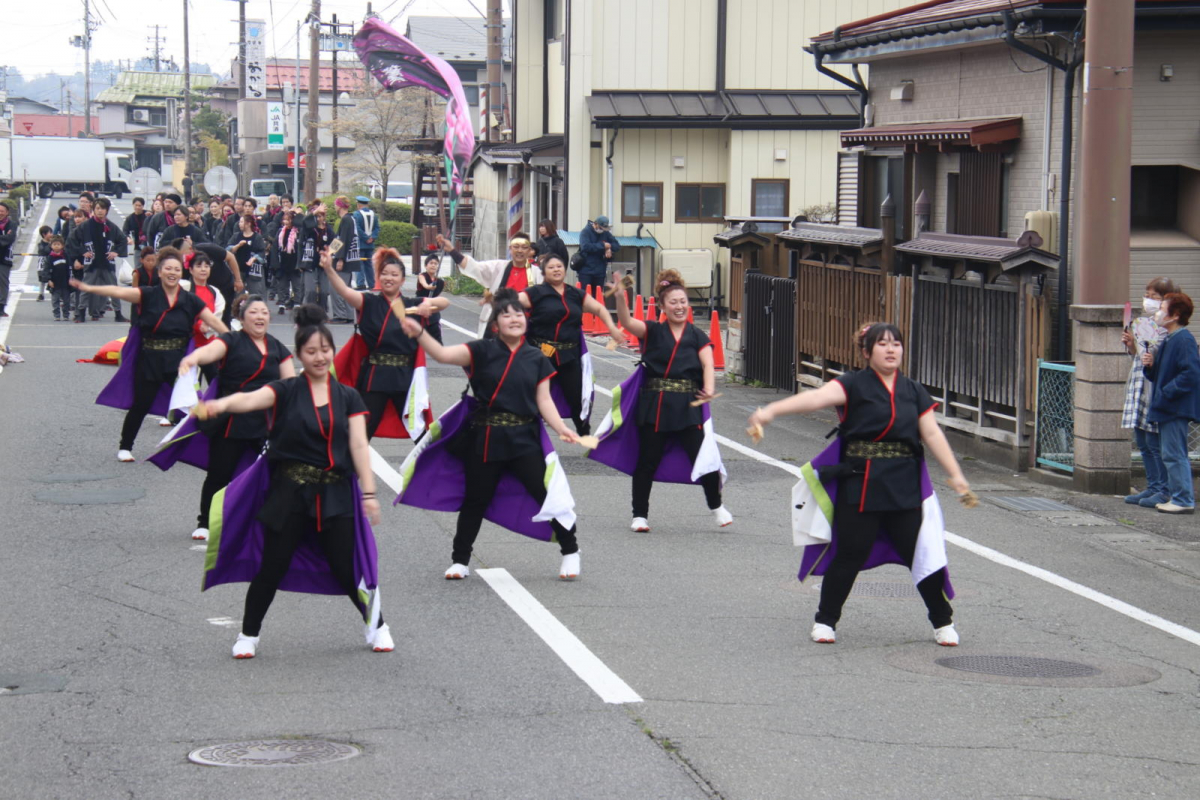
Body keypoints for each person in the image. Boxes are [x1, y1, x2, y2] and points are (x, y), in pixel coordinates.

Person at [747, 322, 970, 646]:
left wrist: (956, 474)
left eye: (896, 343)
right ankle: (825, 621)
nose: (891, 349)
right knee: (850, 553)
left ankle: (942, 621)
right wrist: (770, 411)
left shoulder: (913, 390)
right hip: (861, 483)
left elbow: (931, 433)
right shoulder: (853, 385)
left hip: (904, 486)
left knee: (920, 554)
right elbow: (814, 399)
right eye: (882, 344)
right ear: (867, 352)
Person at [197, 304, 392, 658]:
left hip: (335, 495)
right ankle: (248, 635)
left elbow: (359, 445)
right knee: (271, 566)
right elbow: (250, 398)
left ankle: (377, 625)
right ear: (300, 355)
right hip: (289, 494)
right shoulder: (287, 390)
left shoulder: (348, 396)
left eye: (326, 350)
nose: (320, 357)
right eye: (312, 351)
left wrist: (369, 493)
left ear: (333, 352)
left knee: (348, 568)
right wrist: (221, 405)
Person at [399, 289, 583, 580]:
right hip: (485, 438)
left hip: (524, 438)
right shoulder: (480, 350)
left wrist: (562, 428)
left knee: (545, 495)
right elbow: (443, 354)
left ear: (526, 320)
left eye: (518, 313)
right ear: (495, 324)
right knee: (475, 500)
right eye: (506, 314)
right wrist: (420, 332)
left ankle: (571, 551)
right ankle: (460, 560)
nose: (514, 318)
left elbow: (544, 400)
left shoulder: (536, 357)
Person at [599, 268, 730, 531]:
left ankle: (716, 507)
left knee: (703, 460)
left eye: (683, 301)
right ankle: (640, 515)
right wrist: (621, 299)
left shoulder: (697, 335)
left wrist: (709, 388)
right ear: (662, 306)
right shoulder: (653, 330)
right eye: (673, 302)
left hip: (687, 406)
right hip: (655, 405)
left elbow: (707, 364)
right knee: (646, 461)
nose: (680, 306)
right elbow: (627, 323)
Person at [76, 246, 228, 461]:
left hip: (180, 362)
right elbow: (118, 291)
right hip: (150, 360)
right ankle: (125, 446)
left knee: (193, 405)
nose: (172, 272)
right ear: (160, 272)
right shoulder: (148, 294)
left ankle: (205, 447)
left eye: (176, 269)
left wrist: (238, 340)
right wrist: (89, 288)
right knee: (141, 404)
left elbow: (213, 321)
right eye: (168, 268)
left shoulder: (190, 300)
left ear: (181, 273)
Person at [176, 294, 295, 540]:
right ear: (242, 318)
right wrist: (192, 359)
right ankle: (205, 522)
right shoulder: (231, 340)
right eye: (254, 312)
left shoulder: (277, 347)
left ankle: (270, 521)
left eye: (264, 312)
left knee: (275, 473)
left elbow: (290, 383)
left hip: (266, 421)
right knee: (220, 472)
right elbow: (208, 352)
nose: (260, 316)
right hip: (232, 419)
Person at [322, 246, 446, 439]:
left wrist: (426, 305)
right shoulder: (369, 302)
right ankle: (349, 469)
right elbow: (345, 291)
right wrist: (329, 269)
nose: (389, 278)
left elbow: (444, 302)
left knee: (421, 436)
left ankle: (430, 469)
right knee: (360, 434)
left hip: (404, 378)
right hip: (374, 378)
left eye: (394, 274)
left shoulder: (412, 304)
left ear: (402, 280)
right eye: (385, 274)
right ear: (379, 277)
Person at [520, 253, 624, 435]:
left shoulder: (575, 294)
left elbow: (599, 308)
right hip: (541, 356)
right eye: (551, 267)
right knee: (535, 399)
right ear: (544, 272)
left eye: (559, 266)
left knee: (578, 399)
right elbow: (512, 302)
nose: (556, 270)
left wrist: (612, 327)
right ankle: (529, 439)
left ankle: (584, 435)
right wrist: (498, 300)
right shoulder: (535, 293)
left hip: (569, 356)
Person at [1142, 292, 1200, 515]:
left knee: (1174, 454)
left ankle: (1183, 498)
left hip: (1175, 407)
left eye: (1162, 309)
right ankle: (1180, 496)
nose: (1158, 313)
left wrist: (1166, 392)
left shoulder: (1183, 339)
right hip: (1170, 405)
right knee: (1171, 453)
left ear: (1174, 315)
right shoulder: (1171, 338)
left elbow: (1191, 374)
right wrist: (1150, 367)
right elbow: (1164, 375)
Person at [1121, 277, 1177, 508]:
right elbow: (1141, 356)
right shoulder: (1145, 322)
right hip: (1138, 387)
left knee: (1154, 444)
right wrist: (1131, 346)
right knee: (1142, 442)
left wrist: (1140, 344)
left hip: (1152, 390)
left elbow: (1155, 356)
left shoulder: (1167, 329)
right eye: (1148, 295)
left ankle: (1162, 489)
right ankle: (1153, 486)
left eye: (1155, 297)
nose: (1149, 300)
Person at [435, 232, 543, 336]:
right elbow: (474, 268)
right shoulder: (499, 267)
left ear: (529, 251)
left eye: (524, 247)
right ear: (510, 249)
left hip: (526, 328)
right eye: (516, 246)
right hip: (498, 327)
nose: (520, 250)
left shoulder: (537, 273)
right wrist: (452, 251)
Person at [79, 197, 128, 323]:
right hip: (92, 263)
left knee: (114, 288)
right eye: (97, 208)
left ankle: (118, 314)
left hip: (107, 262)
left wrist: (116, 252)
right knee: (86, 288)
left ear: (107, 210)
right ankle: (81, 313)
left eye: (103, 209)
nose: (100, 211)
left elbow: (122, 240)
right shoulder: (86, 225)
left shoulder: (111, 226)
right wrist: (83, 252)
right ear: (93, 209)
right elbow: (72, 240)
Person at [188, 254, 226, 376]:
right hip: (189, 345)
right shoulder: (185, 290)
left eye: (206, 266)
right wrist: (199, 325)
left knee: (216, 381)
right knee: (191, 384)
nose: (203, 269)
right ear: (190, 270)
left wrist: (207, 326)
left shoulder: (215, 292)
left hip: (209, 345)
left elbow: (218, 314)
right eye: (199, 266)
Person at [300, 201, 336, 311]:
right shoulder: (309, 229)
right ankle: (309, 312)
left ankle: (322, 311)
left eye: (320, 216)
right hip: (310, 262)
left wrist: (328, 254)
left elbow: (336, 244)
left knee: (324, 291)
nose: (319, 219)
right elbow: (304, 222)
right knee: (310, 291)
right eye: (316, 216)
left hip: (323, 263)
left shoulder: (328, 229)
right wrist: (315, 212)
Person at [330, 196, 359, 323]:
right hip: (350, 258)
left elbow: (343, 240)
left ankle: (340, 315)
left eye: (336, 205)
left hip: (345, 258)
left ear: (340, 206)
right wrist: (329, 252)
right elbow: (339, 238)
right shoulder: (350, 219)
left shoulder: (346, 220)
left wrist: (340, 259)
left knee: (337, 287)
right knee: (346, 287)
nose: (334, 207)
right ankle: (349, 315)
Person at [576, 215, 619, 296]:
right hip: (586, 270)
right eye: (600, 228)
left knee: (598, 295)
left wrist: (609, 248)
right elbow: (585, 247)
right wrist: (602, 245)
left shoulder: (606, 233)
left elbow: (617, 245)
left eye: (603, 228)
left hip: (600, 270)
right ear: (595, 224)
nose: (602, 230)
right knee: (585, 295)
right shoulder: (585, 232)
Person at [230, 214, 267, 297]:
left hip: (253, 269)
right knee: (238, 294)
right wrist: (238, 245)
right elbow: (228, 249)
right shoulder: (236, 236)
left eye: (241, 222)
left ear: (248, 223)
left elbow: (262, 252)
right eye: (239, 222)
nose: (239, 224)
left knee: (255, 293)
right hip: (238, 267)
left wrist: (254, 258)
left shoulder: (257, 237)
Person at [275, 210, 302, 314]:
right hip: (283, 261)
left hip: (295, 262)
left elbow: (301, 221)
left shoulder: (298, 231)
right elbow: (275, 247)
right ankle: (282, 304)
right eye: (284, 219)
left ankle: (297, 303)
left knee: (297, 285)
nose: (286, 222)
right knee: (282, 285)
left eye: (288, 219)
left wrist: (297, 213)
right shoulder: (280, 231)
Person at [415, 252, 445, 343]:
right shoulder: (422, 276)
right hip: (420, 305)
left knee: (436, 333)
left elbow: (438, 296)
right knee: (418, 332)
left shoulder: (440, 282)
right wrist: (429, 286)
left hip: (432, 308)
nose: (433, 265)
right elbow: (424, 284)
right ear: (426, 265)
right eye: (431, 263)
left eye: (435, 264)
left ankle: (440, 352)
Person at [352, 196, 380, 290]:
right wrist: (372, 238)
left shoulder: (356, 214)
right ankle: (371, 283)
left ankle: (360, 284)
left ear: (358, 204)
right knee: (368, 264)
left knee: (359, 263)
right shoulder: (374, 215)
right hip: (370, 244)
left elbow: (357, 228)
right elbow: (377, 228)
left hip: (360, 243)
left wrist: (365, 238)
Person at [0, 202, 19, 318]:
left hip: (5, 258)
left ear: (7, 212)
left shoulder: (12, 224)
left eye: (2, 211)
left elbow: (9, 239)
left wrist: (5, 239)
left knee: (3, 282)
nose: (0, 213)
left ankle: (1, 307)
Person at [45, 235, 71, 321]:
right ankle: (57, 314)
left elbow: (69, 268)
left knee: (66, 300)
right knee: (55, 300)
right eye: (54, 244)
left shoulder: (66, 255)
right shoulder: (50, 257)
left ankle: (66, 314)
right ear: (51, 246)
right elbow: (46, 269)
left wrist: (71, 278)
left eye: (58, 244)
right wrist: (49, 280)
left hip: (65, 282)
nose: (56, 246)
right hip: (54, 283)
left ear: (62, 246)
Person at [36, 225, 53, 302]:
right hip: (43, 262)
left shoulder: (53, 243)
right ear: (44, 234)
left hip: (51, 261)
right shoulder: (41, 244)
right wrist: (50, 245)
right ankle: (41, 294)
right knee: (42, 279)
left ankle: (56, 294)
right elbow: (45, 251)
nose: (51, 234)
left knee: (53, 277)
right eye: (50, 233)